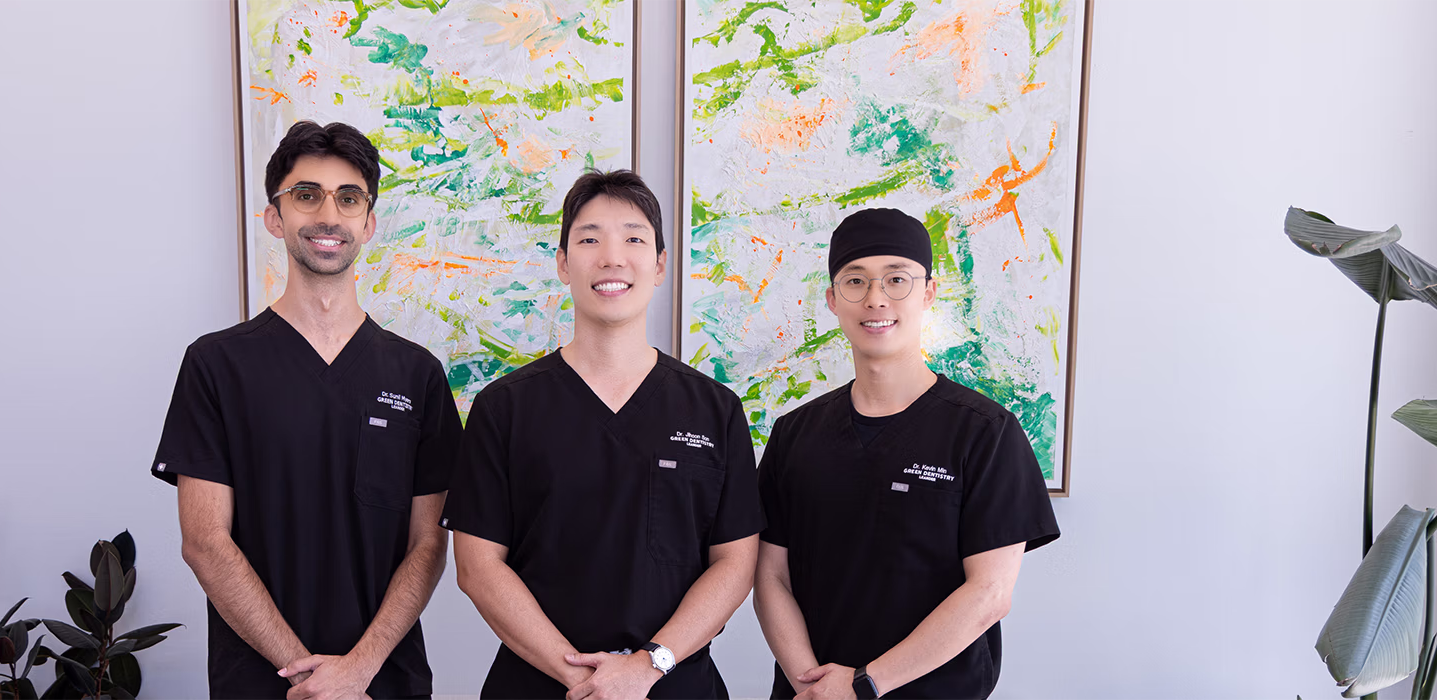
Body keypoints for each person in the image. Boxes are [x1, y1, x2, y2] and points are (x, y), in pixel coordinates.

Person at [150, 121, 459, 700]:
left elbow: (427, 547)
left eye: (349, 198)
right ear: (275, 216)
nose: (329, 215)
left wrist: (358, 671)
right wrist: (309, 675)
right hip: (263, 684)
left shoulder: (417, 375)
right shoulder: (216, 365)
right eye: (307, 195)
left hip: (384, 683)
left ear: (368, 223)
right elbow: (205, 542)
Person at [441, 169, 764, 700]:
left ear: (660, 265)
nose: (612, 258)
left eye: (633, 239)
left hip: (674, 684)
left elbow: (735, 563)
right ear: (563, 264)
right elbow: (478, 567)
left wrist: (647, 667)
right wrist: (583, 680)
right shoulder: (504, 407)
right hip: (540, 686)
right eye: (590, 239)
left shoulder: (715, 410)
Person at [752, 208, 1060, 700]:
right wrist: (813, 685)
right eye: (855, 281)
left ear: (928, 293)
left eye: (897, 280)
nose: (875, 298)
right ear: (833, 299)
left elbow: (989, 594)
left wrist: (864, 684)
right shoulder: (795, 434)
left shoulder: (985, 432)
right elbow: (771, 577)